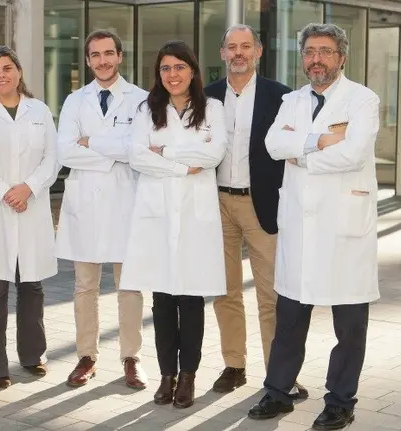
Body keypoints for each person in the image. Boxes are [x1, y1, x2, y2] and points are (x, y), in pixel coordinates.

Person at [248, 23, 380, 431]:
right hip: (301, 226)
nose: (316, 59)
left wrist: (301, 152)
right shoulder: (291, 100)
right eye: (309, 52)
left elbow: (354, 154)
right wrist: (320, 140)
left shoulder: (362, 99)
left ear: (341, 57)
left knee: (349, 324)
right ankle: (278, 391)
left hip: (344, 228)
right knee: (289, 316)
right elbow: (273, 145)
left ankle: (340, 401)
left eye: (325, 51)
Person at [120, 40, 227, 409]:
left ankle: (188, 377)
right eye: (165, 68)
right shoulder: (147, 109)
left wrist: (162, 153)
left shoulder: (213, 108)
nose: (172, 74)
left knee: (191, 298)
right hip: (157, 214)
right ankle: (166, 375)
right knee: (162, 300)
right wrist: (182, 164)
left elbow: (212, 154)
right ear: (159, 74)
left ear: (193, 71)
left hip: (195, 216)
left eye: (179, 67)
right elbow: (136, 156)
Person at [204, 24, 307, 399]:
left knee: (272, 295)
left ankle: (279, 374)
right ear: (222, 53)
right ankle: (234, 364)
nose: (238, 53)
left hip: (262, 203)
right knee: (224, 290)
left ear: (258, 51)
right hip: (216, 204)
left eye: (245, 46)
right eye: (231, 47)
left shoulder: (282, 97)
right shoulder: (208, 96)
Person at [55, 29, 150, 390]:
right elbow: (65, 152)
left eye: (109, 53)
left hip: (126, 203)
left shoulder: (141, 100)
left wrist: (92, 142)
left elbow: (137, 150)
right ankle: (86, 356)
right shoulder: (74, 101)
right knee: (84, 285)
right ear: (88, 60)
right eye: (95, 55)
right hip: (86, 205)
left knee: (130, 286)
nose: (103, 60)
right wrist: (113, 153)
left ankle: (131, 358)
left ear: (120, 56)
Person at [0, 45, 59, 388]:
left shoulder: (39, 110)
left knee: (31, 286)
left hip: (30, 206)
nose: (1, 75)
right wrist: (4, 191)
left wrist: (29, 188)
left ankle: (33, 354)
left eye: (7, 68)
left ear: (19, 72)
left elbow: (52, 158)